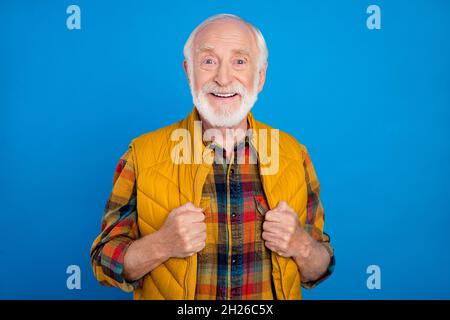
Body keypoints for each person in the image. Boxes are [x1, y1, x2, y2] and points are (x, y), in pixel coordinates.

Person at [90, 13, 335, 300]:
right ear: (188, 72)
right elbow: (102, 263)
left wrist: (301, 245)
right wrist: (161, 244)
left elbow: (320, 267)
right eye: (208, 61)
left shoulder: (294, 154)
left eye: (239, 62)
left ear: (260, 76)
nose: (223, 78)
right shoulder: (141, 154)